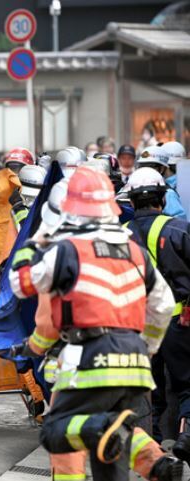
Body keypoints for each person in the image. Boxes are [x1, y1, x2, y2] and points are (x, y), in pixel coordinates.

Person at [9, 166, 175, 481]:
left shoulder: (66, 251)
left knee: (58, 431)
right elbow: (163, 304)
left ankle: (102, 430)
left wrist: (33, 243)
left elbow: (21, 285)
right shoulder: (133, 250)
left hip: (88, 358)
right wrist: (147, 348)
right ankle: (153, 461)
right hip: (134, 361)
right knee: (115, 442)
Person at [124, 168, 190, 466]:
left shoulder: (120, 235)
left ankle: (149, 452)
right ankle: (186, 433)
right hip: (178, 323)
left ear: (133, 201)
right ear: (162, 198)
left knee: (146, 388)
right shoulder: (179, 229)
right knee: (186, 383)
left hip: (136, 325)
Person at [137, 146, 185, 218]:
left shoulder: (168, 194)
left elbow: (179, 224)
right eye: (142, 167)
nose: (145, 171)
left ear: (162, 169)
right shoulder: (133, 188)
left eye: (150, 167)